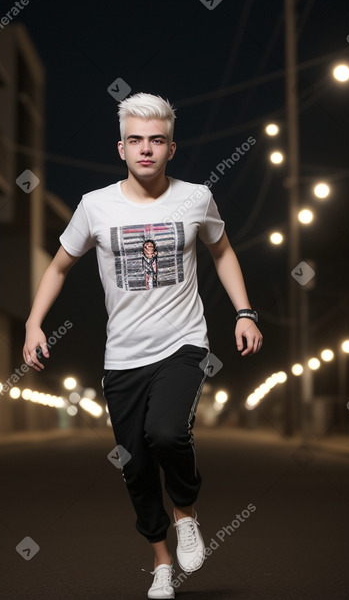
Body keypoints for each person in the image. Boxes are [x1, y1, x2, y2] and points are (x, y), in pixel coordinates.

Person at [23, 92, 263, 599]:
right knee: (134, 466)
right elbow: (59, 265)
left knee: (168, 432)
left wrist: (244, 313)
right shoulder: (96, 206)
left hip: (183, 343)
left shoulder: (195, 197)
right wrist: (33, 324)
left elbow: (222, 253)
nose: (146, 150)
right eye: (136, 140)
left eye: (157, 141)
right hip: (123, 357)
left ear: (171, 148)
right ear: (122, 148)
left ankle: (188, 515)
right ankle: (160, 563)